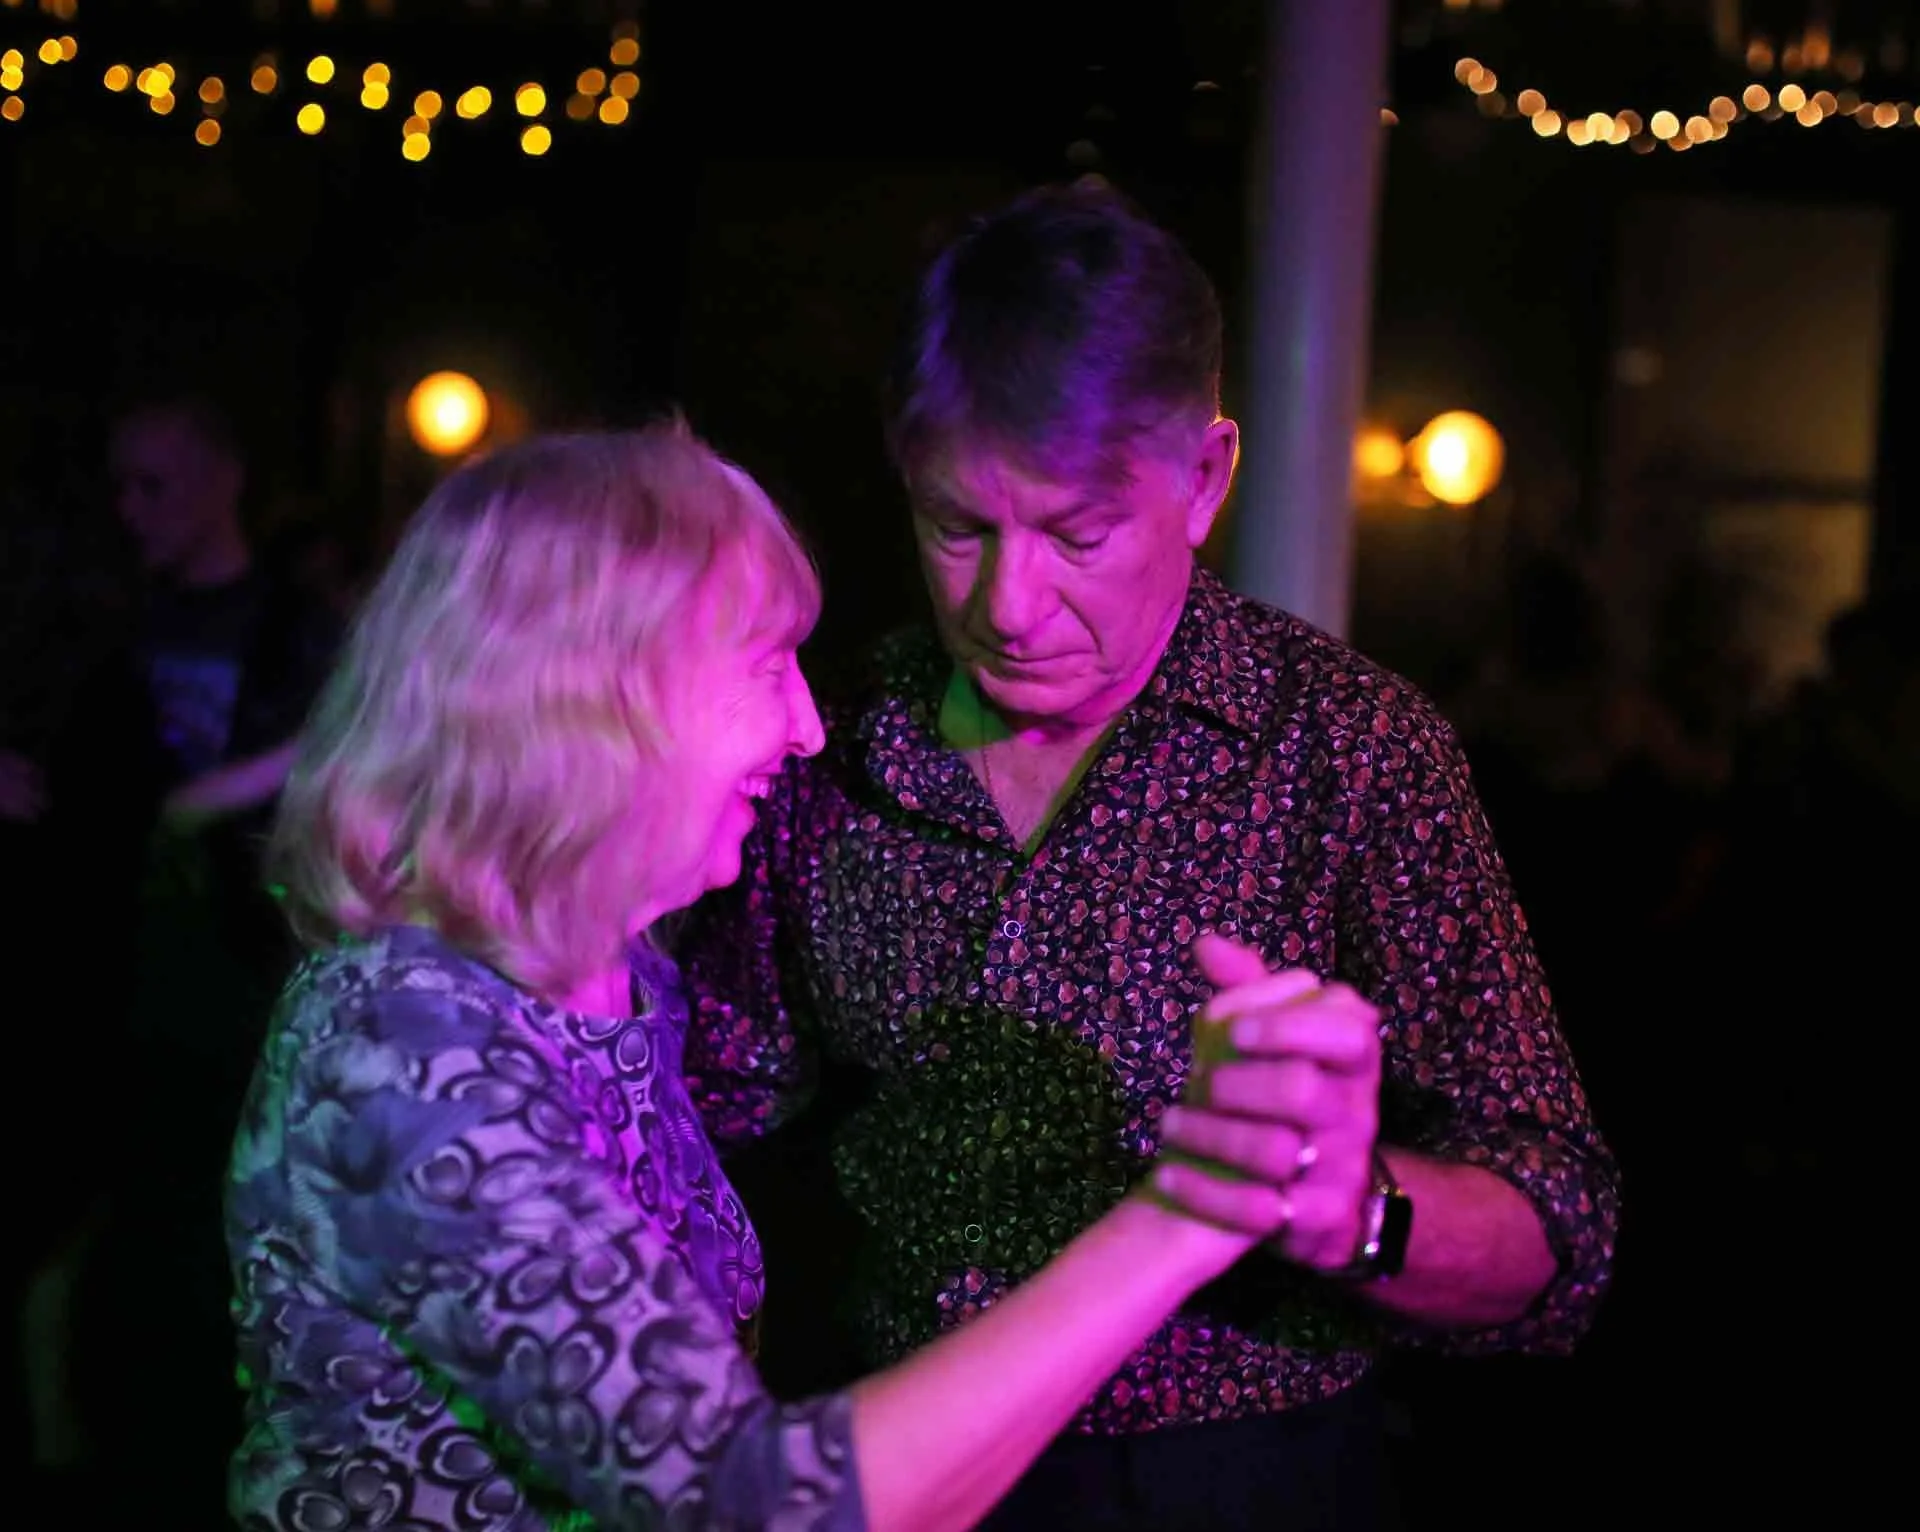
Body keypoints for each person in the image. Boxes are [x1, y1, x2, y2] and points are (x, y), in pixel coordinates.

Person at [677, 180, 1621, 1528]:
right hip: (892, 1456)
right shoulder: (827, 743)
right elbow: (707, 1113)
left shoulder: (1349, 751)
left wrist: (1349, 1207)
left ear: (1206, 476)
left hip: (1234, 1483)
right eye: (958, 528)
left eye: (1077, 533)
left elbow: (1560, 1236)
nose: (1007, 606)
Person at [226, 423, 1325, 1531]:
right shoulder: (401, 1043)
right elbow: (747, 1504)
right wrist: (1191, 1206)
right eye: (764, 664)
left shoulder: (616, 979)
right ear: (598, 697)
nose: (805, 728)